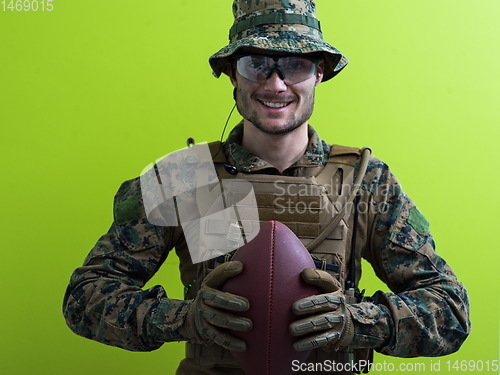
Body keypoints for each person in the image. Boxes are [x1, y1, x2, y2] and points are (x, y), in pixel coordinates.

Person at [63, 1, 470, 374]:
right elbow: (84, 298)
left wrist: (356, 322)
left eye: (294, 65)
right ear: (230, 73)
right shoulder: (185, 176)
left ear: (320, 72)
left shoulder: (367, 182)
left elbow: (450, 311)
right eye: (256, 63)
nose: (275, 84)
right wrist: (183, 318)